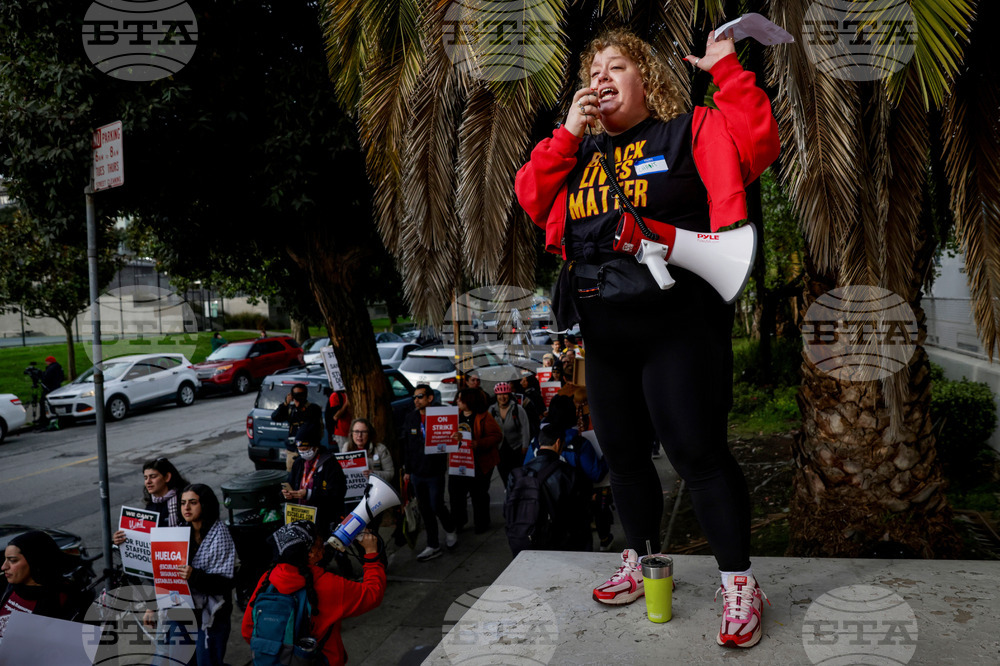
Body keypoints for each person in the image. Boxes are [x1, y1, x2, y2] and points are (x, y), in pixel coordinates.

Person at [515, 27, 778, 648]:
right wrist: (569, 134)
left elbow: (758, 143)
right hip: (605, 335)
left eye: (617, 67)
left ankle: (739, 583)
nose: (602, 78)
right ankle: (640, 558)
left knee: (696, 452)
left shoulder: (688, 130)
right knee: (624, 455)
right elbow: (532, 195)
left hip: (678, 328)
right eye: (593, 70)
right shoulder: (574, 151)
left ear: (646, 79)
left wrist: (728, 72)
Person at [241, 521, 385, 666]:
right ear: (310, 553)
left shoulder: (268, 578)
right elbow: (373, 594)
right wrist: (371, 553)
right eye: (320, 543)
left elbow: (248, 631)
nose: (324, 546)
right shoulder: (328, 584)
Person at [147, 484, 235, 666]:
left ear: (205, 504)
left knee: (207, 661)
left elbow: (225, 584)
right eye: (183, 503)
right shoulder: (178, 533)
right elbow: (163, 572)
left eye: (193, 503)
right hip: (180, 610)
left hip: (211, 616)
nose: (186, 508)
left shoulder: (220, 536)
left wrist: (195, 576)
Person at [505, 423, 592, 557]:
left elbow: (507, 511)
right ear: (558, 443)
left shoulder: (517, 475)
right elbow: (580, 515)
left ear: (540, 443)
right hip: (559, 545)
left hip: (523, 542)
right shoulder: (568, 473)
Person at [402, 384, 458, 561]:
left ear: (430, 398)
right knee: (425, 509)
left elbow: (453, 441)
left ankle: (450, 529)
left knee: (437, 505)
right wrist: (407, 470)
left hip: (435, 471)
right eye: (414, 397)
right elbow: (407, 446)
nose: (416, 400)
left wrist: (457, 438)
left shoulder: (441, 416)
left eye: (420, 397)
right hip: (417, 472)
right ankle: (432, 544)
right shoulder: (411, 418)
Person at [0, 530, 80, 640]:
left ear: (34, 561)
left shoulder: (61, 601)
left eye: (13, 560)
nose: (4, 567)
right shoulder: (11, 587)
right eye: (5, 559)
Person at [448, 388, 503, 534]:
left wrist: (479, 443)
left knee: (479, 494)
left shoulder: (484, 417)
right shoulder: (455, 416)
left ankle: (482, 523)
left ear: (469, 401)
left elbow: (497, 436)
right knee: (456, 494)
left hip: (479, 462)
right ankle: (458, 522)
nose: (457, 401)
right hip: (458, 462)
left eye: (461, 398)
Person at [282, 422, 347, 530]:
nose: (302, 453)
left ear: (315, 446)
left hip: (323, 519)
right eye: (300, 450)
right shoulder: (298, 463)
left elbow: (337, 492)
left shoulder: (330, 464)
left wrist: (309, 494)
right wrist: (286, 494)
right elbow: (291, 483)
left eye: (305, 449)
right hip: (298, 516)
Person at [113, 458, 190, 547]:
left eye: (153, 477)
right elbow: (143, 538)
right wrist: (120, 539)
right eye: (145, 478)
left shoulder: (184, 501)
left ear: (167, 477)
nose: (148, 482)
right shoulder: (151, 505)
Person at [271, 383, 324, 472]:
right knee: (292, 475)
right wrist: (285, 404)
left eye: (301, 395)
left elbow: (313, 426)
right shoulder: (290, 409)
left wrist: (301, 407)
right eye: (296, 395)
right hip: (293, 451)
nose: (298, 398)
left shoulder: (313, 409)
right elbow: (275, 417)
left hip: (309, 450)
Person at [487, 382, 531, 489]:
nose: (502, 397)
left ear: (509, 394)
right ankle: (508, 492)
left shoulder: (517, 409)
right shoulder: (492, 410)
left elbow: (525, 429)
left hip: (516, 448)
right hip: (500, 449)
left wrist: (525, 447)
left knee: (517, 475)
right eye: (499, 395)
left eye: (505, 394)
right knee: (504, 475)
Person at [38, 355, 65, 430]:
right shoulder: (58, 367)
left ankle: (44, 419)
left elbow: (46, 378)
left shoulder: (51, 369)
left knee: (43, 402)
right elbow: (62, 377)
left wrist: (42, 375)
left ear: (49, 361)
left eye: (46, 362)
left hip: (50, 389)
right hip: (56, 387)